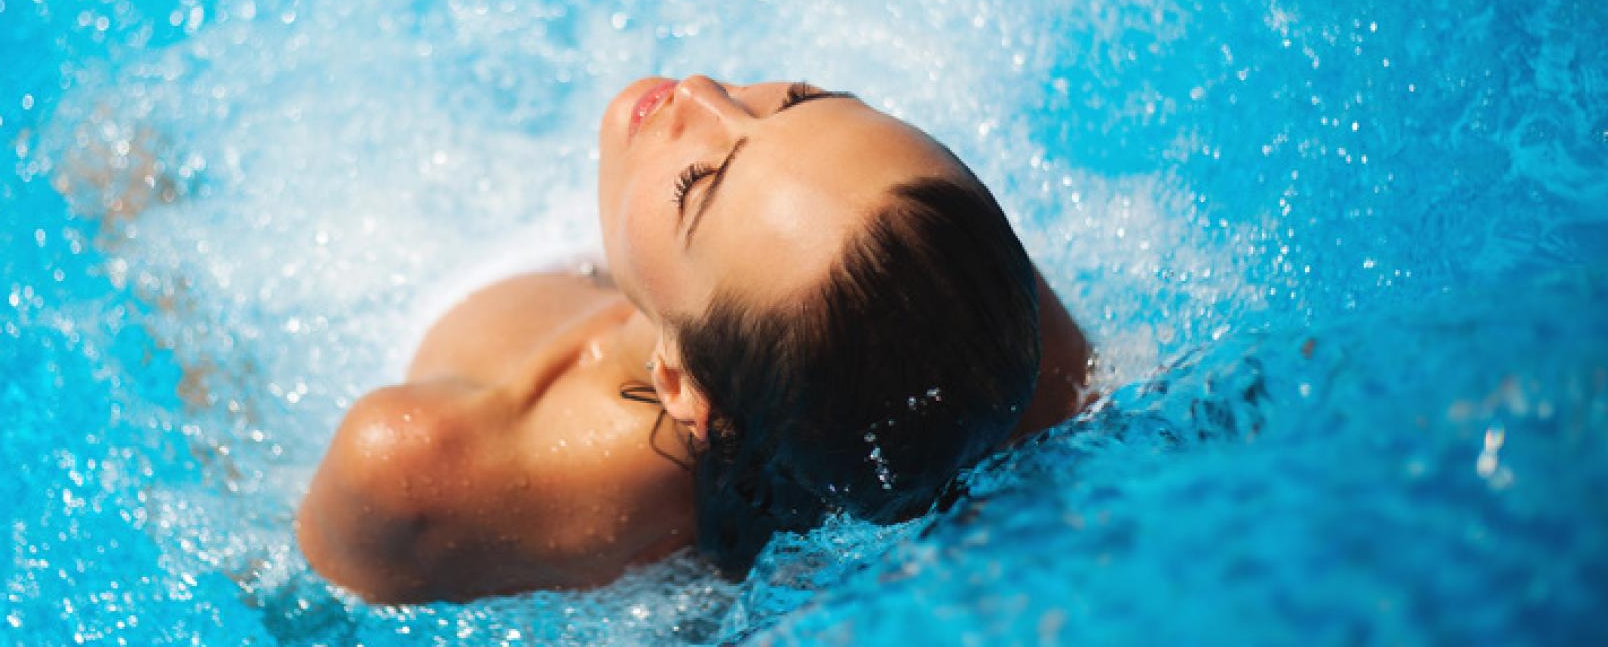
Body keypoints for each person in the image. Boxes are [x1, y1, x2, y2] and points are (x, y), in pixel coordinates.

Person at [294, 76, 1093, 603]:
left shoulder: (419, 460)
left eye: (696, 184)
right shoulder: (940, 275)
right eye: (801, 100)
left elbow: (283, 610)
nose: (704, 95)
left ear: (680, 384)